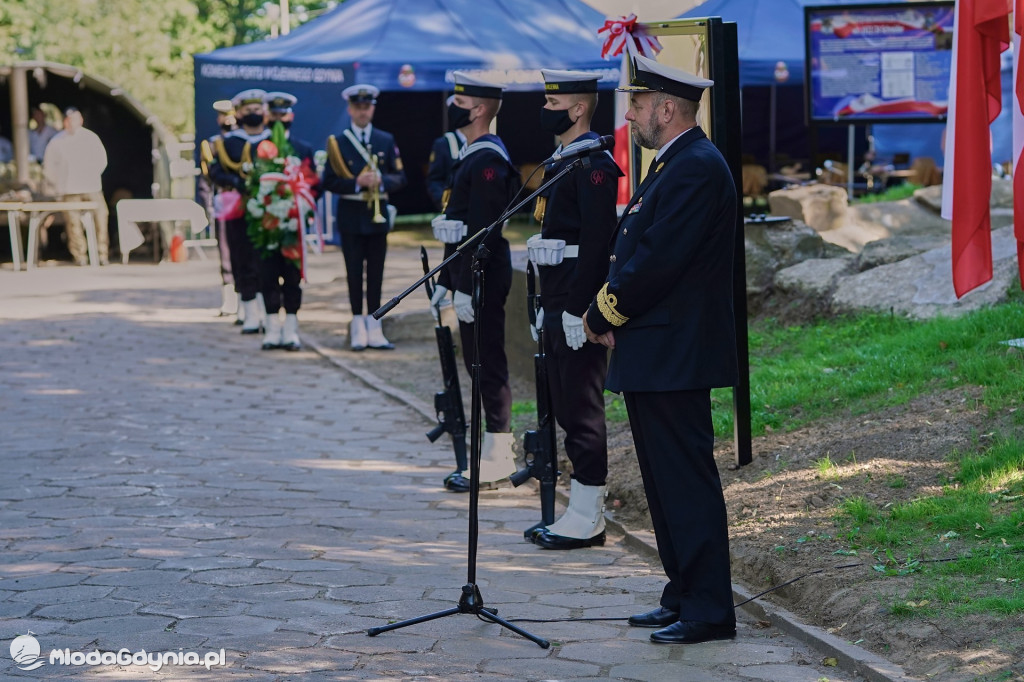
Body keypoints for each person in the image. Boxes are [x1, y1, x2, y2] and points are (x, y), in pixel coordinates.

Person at [583, 54, 739, 645]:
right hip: (656, 351)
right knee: (662, 482)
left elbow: (657, 260)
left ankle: (708, 610)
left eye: (638, 105)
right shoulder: (674, 162)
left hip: (676, 353)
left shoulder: (696, 166)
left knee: (684, 482)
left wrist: (605, 308)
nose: (629, 116)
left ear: (666, 109)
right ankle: (683, 594)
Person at [527, 69, 622, 550]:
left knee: (582, 408)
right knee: (565, 404)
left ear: (578, 108)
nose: (545, 111)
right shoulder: (566, 160)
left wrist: (582, 309)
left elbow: (598, 244)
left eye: (552, 102)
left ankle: (590, 517)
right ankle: (577, 509)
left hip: (578, 302)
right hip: (558, 294)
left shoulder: (594, 164)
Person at [429, 72, 519, 488]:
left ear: (479, 109)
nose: (452, 106)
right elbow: (459, 228)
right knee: (474, 362)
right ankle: (491, 453)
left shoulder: (487, 159)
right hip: (469, 273)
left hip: (484, 273)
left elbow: (484, 230)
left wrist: (465, 283)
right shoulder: (470, 154)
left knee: (487, 363)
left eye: (460, 102)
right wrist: (447, 279)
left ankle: (500, 455)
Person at [321, 84, 407, 351]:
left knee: (377, 272)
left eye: (366, 106)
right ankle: (357, 322)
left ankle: (375, 323)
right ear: (350, 109)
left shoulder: (385, 139)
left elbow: (400, 177)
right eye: (357, 107)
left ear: (372, 108)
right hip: (351, 213)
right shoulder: (339, 142)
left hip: (377, 213)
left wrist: (381, 181)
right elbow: (329, 181)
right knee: (354, 271)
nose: (362, 111)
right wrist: (357, 183)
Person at [258, 91, 319, 351]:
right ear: (267, 116)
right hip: (265, 226)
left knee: (292, 277)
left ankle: (291, 329)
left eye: (283, 114)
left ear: (291, 116)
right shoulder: (257, 149)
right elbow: (249, 185)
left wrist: (300, 207)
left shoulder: (303, 149)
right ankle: (271, 328)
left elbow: (315, 185)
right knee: (267, 275)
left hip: (293, 225)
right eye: (274, 114)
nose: (279, 119)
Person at [208, 88, 270, 335]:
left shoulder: (272, 141)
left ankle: (268, 310)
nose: (253, 114)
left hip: (268, 212)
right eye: (248, 110)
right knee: (241, 259)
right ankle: (249, 312)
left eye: (257, 110)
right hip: (239, 211)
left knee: (265, 261)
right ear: (239, 113)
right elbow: (215, 170)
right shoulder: (229, 143)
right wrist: (236, 183)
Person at [42, 107, 109, 266]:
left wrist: (91, 176)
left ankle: (102, 253)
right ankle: (80, 256)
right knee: (73, 224)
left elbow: (102, 161)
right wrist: (58, 183)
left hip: (92, 186)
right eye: (70, 119)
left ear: (80, 120)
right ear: (65, 121)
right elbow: (49, 167)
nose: (72, 122)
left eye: (75, 119)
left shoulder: (91, 138)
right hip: (69, 188)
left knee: (101, 217)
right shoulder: (56, 141)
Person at [198, 99, 239, 319]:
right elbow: (206, 181)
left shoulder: (245, 142)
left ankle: (247, 298)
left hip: (243, 199)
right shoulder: (213, 145)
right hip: (224, 200)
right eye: (225, 116)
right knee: (225, 252)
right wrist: (208, 207)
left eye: (232, 115)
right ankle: (229, 297)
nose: (228, 120)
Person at [425, 95, 466, 212]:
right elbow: (434, 179)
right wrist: (444, 202)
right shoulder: (443, 144)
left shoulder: (484, 142)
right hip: (453, 209)